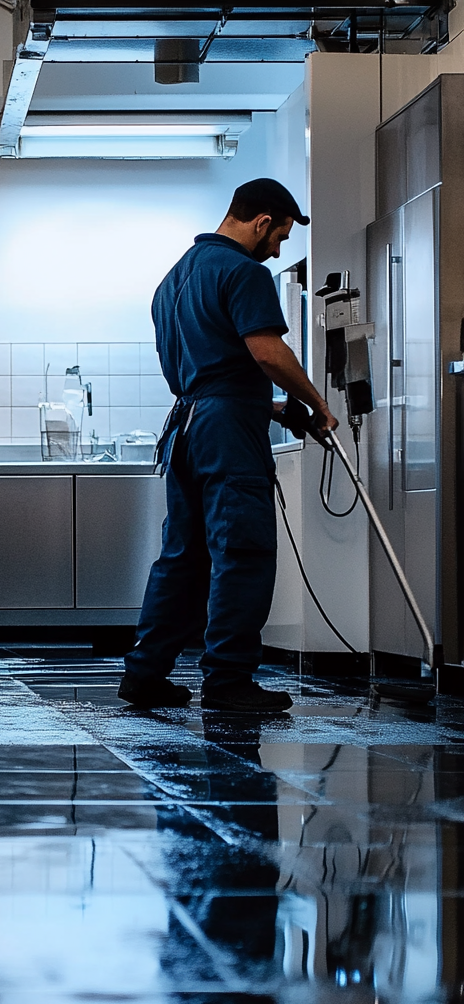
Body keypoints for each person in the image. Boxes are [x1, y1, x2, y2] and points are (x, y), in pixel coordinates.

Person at [118, 178, 338, 713]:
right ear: (262, 222)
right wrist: (316, 401)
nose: (279, 248)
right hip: (226, 435)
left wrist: (274, 408)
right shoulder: (244, 272)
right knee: (242, 553)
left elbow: (208, 370)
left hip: (188, 428)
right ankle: (229, 681)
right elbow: (265, 352)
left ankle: (145, 674)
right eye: (281, 235)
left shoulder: (172, 280)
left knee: (182, 558)